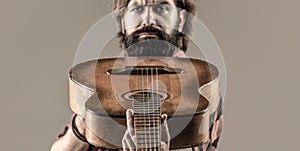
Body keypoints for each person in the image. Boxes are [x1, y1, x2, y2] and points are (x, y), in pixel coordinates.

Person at [50, 0, 224, 150]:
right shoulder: (103, 80)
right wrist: (85, 123)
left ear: (180, 19)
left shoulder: (201, 87)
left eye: (161, 8)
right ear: (122, 21)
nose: (148, 20)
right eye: (137, 9)